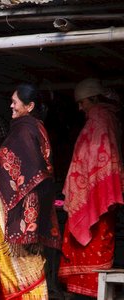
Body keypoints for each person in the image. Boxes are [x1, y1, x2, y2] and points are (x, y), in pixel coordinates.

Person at [0, 83, 61, 299]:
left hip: (18, 211)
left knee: (20, 265)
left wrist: (28, 221)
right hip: (27, 209)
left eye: (15, 102)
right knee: (28, 264)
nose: (11, 106)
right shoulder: (35, 127)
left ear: (30, 105)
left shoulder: (24, 131)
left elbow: (32, 179)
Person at [58, 78, 124, 298]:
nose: (80, 108)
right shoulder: (109, 119)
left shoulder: (98, 120)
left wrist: (83, 190)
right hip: (99, 198)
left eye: (82, 102)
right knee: (99, 243)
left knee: (92, 243)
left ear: (94, 99)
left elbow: (92, 158)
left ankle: (91, 293)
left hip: (95, 198)